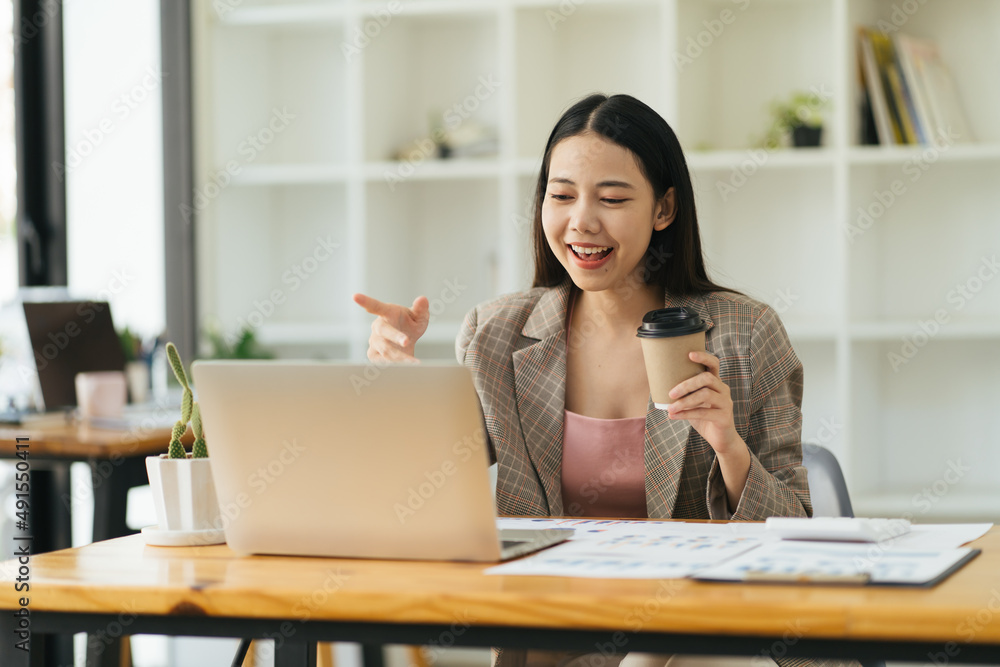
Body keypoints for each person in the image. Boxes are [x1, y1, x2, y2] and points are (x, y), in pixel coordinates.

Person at [354, 94, 817, 667]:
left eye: (613, 198)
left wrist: (730, 448)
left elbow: (798, 535)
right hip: (552, 632)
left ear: (665, 208)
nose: (581, 222)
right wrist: (402, 386)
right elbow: (427, 495)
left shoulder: (746, 335)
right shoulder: (497, 334)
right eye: (562, 195)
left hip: (696, 638)